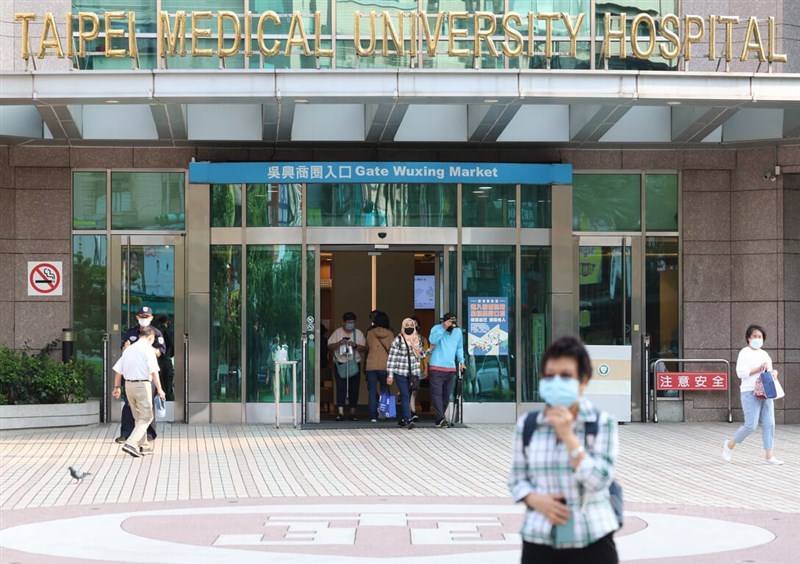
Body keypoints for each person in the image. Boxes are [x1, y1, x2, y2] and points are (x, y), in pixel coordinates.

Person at [509, 336, 619, 564]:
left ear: (583, 380)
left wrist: (569, 437)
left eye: (566, 376)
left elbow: (600, 480)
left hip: (592, 539)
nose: (556, 382)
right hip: (539, 539)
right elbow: (517, 480)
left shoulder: (601, 423)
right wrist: (536, 500)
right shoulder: (528, 425)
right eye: (550, 376)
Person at [723, 324, 783, 465]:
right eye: (754, 336)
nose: (757, 339)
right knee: (751, 425)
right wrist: (757, 369)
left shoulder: (765, 354)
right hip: (749, 391)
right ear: (748, 338)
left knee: (770, 423)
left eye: (760, 337)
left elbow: (769, 371)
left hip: (766, 392)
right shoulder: (744, 352)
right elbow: (740, 373)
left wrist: (774, 373)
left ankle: (769, 455)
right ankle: (730, 445)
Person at [111, 326, 166, 458]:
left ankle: (144, 446)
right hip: (142, 386)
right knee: (147, 416)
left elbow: (118, 371)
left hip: (128, 386)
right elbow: (154, 372)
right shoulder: (148, 350)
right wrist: (160, 389)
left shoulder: (128, 349)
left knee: (138, 417)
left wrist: (117, 387)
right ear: (151, 338)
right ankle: (131, 443)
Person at [387, 318, 426, 429]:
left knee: (408, 396)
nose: (409, 327)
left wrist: (421, 350)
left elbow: (421, 356)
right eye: (407, 325)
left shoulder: (417, 339)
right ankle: (409, 419)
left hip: (413, 373)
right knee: (405, 394)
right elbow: (392, 358)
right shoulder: (398, 340)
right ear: (403, 327)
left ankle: (403, 418)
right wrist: (390, 374)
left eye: (411, 325)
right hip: (400, 372)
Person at [428, 312, 465, 428]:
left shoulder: (458, 331)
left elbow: (459, 347)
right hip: (436, 366)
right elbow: (432, 340)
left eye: (453, 321)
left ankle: (440, 417)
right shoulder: (436, 328)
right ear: (444, 321)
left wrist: (461, 361)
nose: (451, 324)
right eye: (449, 321)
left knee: (446, 395)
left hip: (450, 368)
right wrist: (443, 328)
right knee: (436, 394)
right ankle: (441, 418)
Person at [328, 312, 366, 421]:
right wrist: (339, 343)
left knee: (354, 388)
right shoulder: (337, 332)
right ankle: (340, 412)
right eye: (349, 322)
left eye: (353, 323)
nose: (351, 325)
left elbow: (364, 348)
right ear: (343, 322)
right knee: (341, 388)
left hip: (354, 363)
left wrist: (355, 345)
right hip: (340, 363)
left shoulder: (358, 333)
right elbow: (330, 346)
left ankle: (353, 412)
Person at [365, 311, 394, 423]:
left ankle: (373, 416)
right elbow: (392, 350)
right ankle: (383, 413)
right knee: (384, 389)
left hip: (371, 365)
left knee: (372, 391)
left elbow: (368, 347)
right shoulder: (390, 334)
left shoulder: (370, 333)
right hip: (384, 365)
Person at [409, 315, 431, 421]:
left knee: (413, 391)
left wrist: (426, 369)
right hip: (406, 368)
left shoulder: (422, 339)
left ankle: (411, 411)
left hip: (418, 369)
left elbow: (426, 355)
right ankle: (412, 412)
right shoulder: (404, 338)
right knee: (410, 391)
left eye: (415, 324)